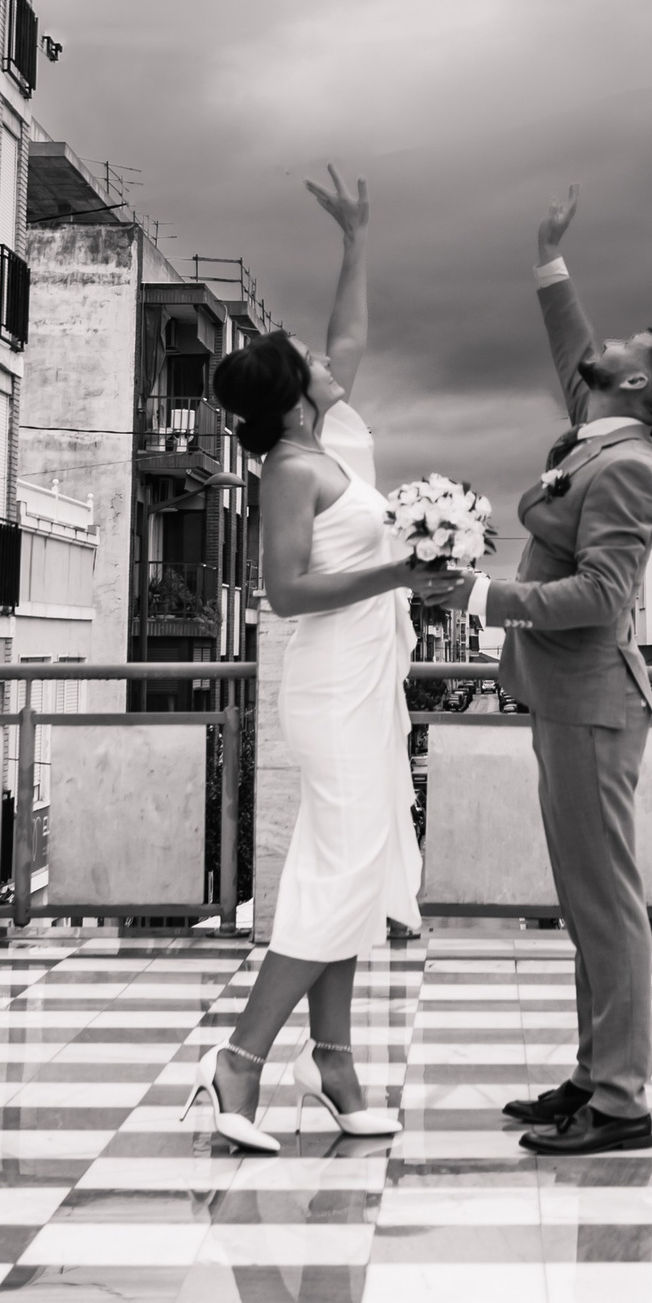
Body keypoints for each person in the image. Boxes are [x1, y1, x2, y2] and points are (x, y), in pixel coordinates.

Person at [185, 170, 456, 1154]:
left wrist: (356, 241)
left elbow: (349, 340)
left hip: (369, 675)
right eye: (307, 361)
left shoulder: (334, 438)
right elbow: (289, 592)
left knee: (351, 866)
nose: (326, 359)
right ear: (295, 396)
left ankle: (333, 1062)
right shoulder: (292, 469)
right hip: (330, 681)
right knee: (342, 868)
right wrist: (399, 570)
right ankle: (241, 1060)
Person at [446, 186, 652, 1158]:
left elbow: (601, 595)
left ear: (637, 384)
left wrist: (484, 598)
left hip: (594, 705)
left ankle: (623, 1102)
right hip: (564, 700)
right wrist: (549, 260)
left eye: (625, 346)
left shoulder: (632, 466)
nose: (606, 346)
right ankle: (595, 1075)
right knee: (584, 903)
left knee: (606, 905)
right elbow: (573, 351)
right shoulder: (600, 428)